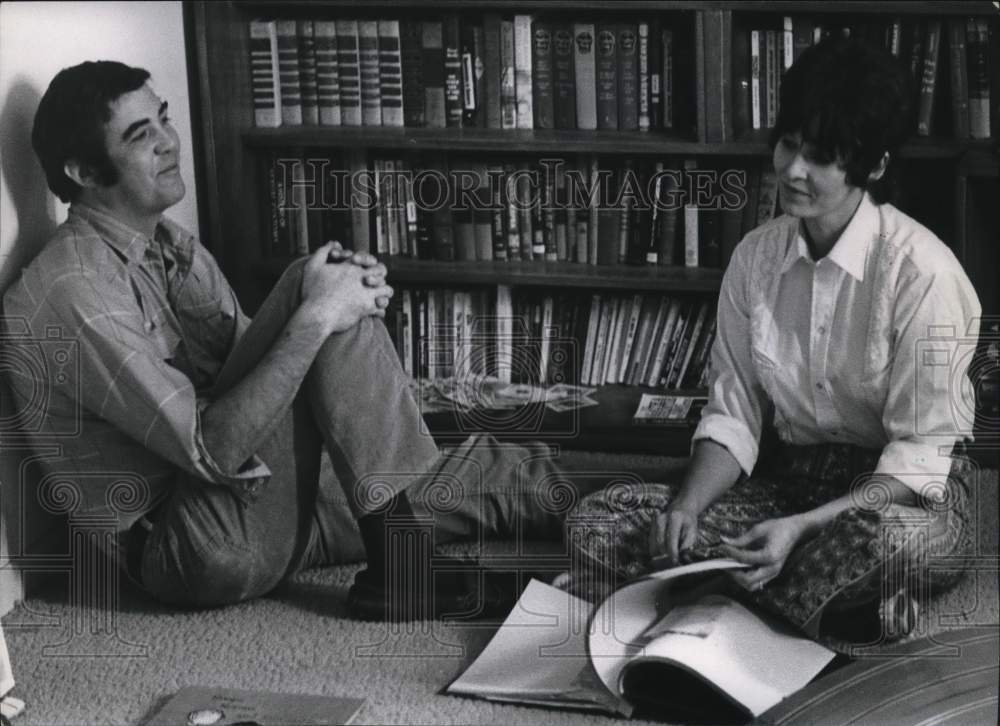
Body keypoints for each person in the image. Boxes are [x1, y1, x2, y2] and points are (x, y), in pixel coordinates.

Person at [1, 61, 605, 619]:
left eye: (164, 117)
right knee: (311, 294)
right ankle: (402, 569)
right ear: (82, 173)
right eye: (140, 135)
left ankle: (659, 507)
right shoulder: (71, 290)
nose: (168, 142)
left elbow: (281, 387)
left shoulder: (169, 247)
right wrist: (320, 314)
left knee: (492, 477)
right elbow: (213, 449)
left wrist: (336, 303)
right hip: (191, 546)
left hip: (257, 503)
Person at [564, 37, 982, 647]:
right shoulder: (756, 258)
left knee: (896, 542)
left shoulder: (924, 274)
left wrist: (802, 529)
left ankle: (717, 601)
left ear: (873, 166)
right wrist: (687, 506)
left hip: (906, 495)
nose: (792, 170)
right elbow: (733, 415)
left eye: (821, 157)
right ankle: (832, 606)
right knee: (598, 521)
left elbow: (920, 461)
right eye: (788, 144)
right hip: (794, 483)